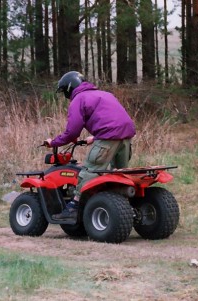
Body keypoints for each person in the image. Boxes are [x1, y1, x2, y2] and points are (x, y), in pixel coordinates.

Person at [44, 71, 136, 220]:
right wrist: (95, 137)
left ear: (69, 88)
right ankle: (125, 208)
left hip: (108, 136)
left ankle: (73, 207)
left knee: (89, 171)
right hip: (126, 135)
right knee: (119, 174)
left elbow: (72, 132)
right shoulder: (105, 94)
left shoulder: (78, 99)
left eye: (64, 92)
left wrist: (53, 142)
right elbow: (113, 118)